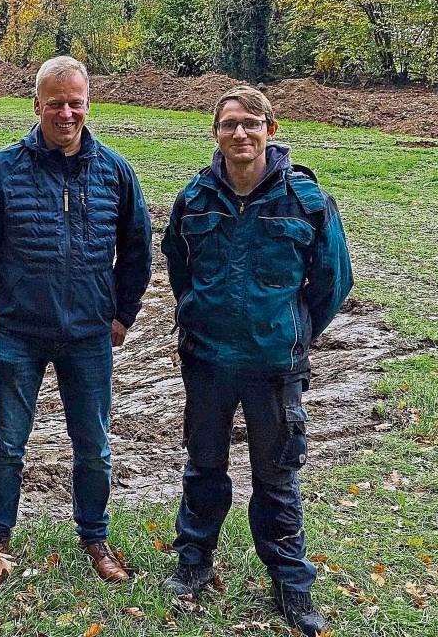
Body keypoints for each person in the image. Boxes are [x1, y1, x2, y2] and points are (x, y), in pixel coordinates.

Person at [160, 85, 353, 636]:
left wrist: (292, 331)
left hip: (274, 367)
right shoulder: (194, 199)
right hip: (207, 361)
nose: (239, 133)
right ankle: (193, 565)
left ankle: (292, 585)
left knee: (277, 480)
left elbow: (333, 282)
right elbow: (179, 269)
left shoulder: (307, 201)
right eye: (228, 125)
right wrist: (201, 313)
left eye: (250, 123)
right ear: (215, 134)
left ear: (272, 128)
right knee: (203, 469)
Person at [0, 56, 153, 585]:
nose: (66, 113)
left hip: (90, 336)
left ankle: (95, 538)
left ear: (88, 104)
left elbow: (137, 249)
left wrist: (123, 313)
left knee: (93, 444)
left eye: (75, 103)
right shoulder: (2, 171)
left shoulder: (116, 172)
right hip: (17, 333)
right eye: (55, 103)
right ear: (37, 106)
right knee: (7, 442)